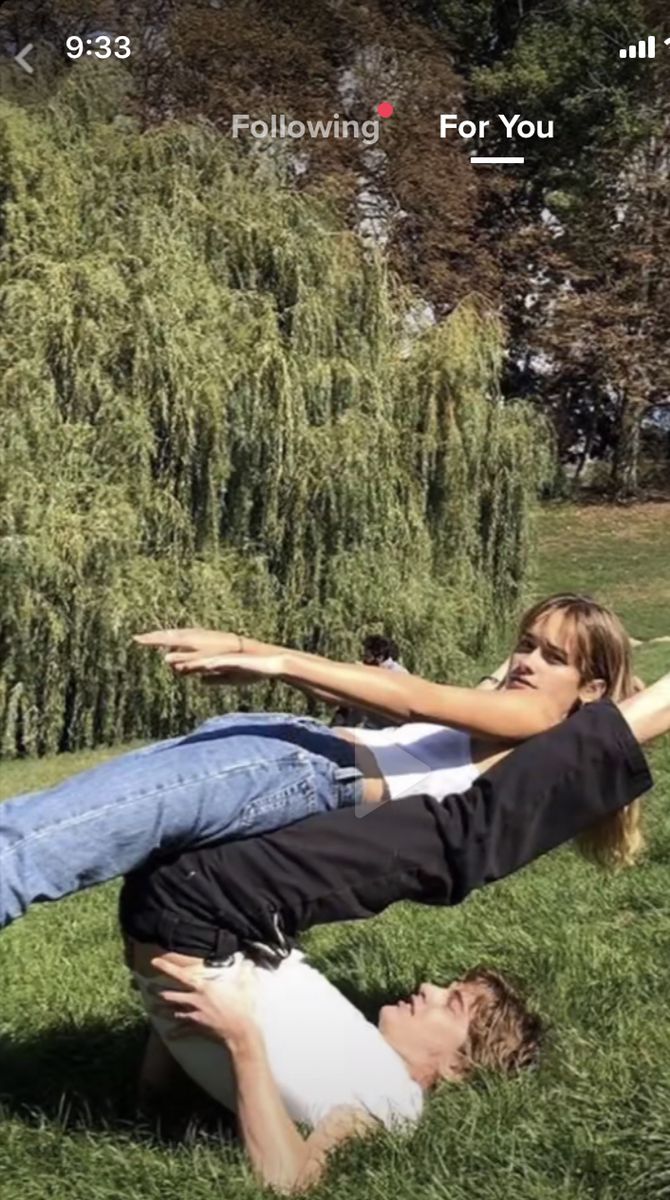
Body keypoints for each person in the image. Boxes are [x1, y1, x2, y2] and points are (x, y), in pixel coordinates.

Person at [118, 678, 667, 1191]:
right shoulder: (363, 1060)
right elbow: (181, 1039)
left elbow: (289, 1179)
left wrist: (238, 1041)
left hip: (192, 911)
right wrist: (156, 1076)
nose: (427, 987)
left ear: (455, 1066)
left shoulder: (392, 1103)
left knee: (443, 839)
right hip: (192, 918)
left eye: (450, 1003)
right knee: (419, 835)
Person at [0, 593, 642, 929]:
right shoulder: (500, 702)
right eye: (526, 645)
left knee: (44, 837)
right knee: (50, 822)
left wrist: (271, 655)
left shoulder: (536, 724)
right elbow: (383, 695)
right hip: (281, 747)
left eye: (553, 658)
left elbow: (411, 696)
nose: (527, 661)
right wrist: (248, 652)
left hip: (291, 770)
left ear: (590, 691)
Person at [330, 633, 409, 729]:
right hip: (359, 729)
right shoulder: (367, 672)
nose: (363, 660)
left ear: (380, 658)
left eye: (367, 656)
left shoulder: (399, 675)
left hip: (385, 732)